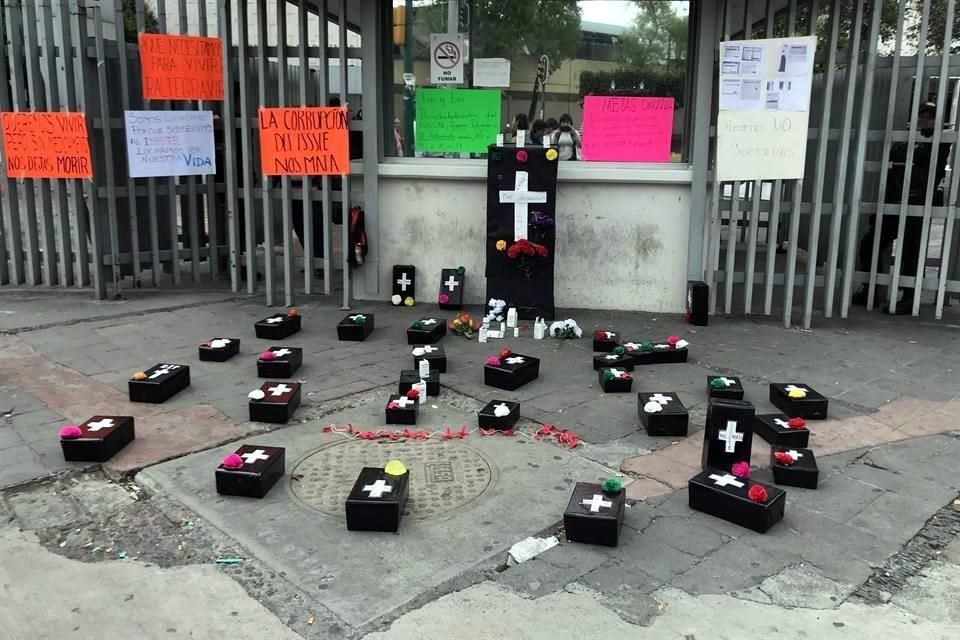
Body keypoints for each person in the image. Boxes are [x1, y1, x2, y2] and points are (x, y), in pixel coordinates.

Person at [852, 103, 951, 313]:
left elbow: (933, 160)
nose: (924, 120)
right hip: (895, 202)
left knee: (911, 250)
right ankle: (871, 289)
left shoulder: (941, 141)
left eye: (930, 117)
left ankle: (909, 297)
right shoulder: (905, 141)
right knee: (870, 242)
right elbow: (891, 171)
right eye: (922, 116)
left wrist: (930, 136)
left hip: (918, 204)